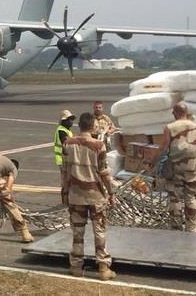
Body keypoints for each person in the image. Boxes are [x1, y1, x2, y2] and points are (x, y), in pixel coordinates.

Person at [61, 112, 116, 280]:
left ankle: (76, 266)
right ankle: (103, 268)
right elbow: (104, 172)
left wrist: (64, 191)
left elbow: (64, 171)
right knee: (99, 231)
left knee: (77, 232)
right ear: (92, 127)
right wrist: (111, 192)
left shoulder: (67, 144)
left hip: (76, 194)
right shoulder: (99, 145)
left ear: (79, 126)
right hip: (95, 194)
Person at [159, 102, 196, 232]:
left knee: (175, 197)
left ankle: (176, 226)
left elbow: (163, 148)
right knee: (191, 197)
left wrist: (152, 162)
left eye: (173, 112)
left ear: (176, 112)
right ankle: (192, 226)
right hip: (191, 168)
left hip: (175, 168)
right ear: (186, 112)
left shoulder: (169, 127)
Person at [54, 109, 75, 179]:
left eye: (72, 119)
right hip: (63, 159)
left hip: (65, 158)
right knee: (66, 178)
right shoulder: (62, 131)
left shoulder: (66, 130)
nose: (71, 121)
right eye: (69, 119)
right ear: (64, 121)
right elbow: (66, 144)